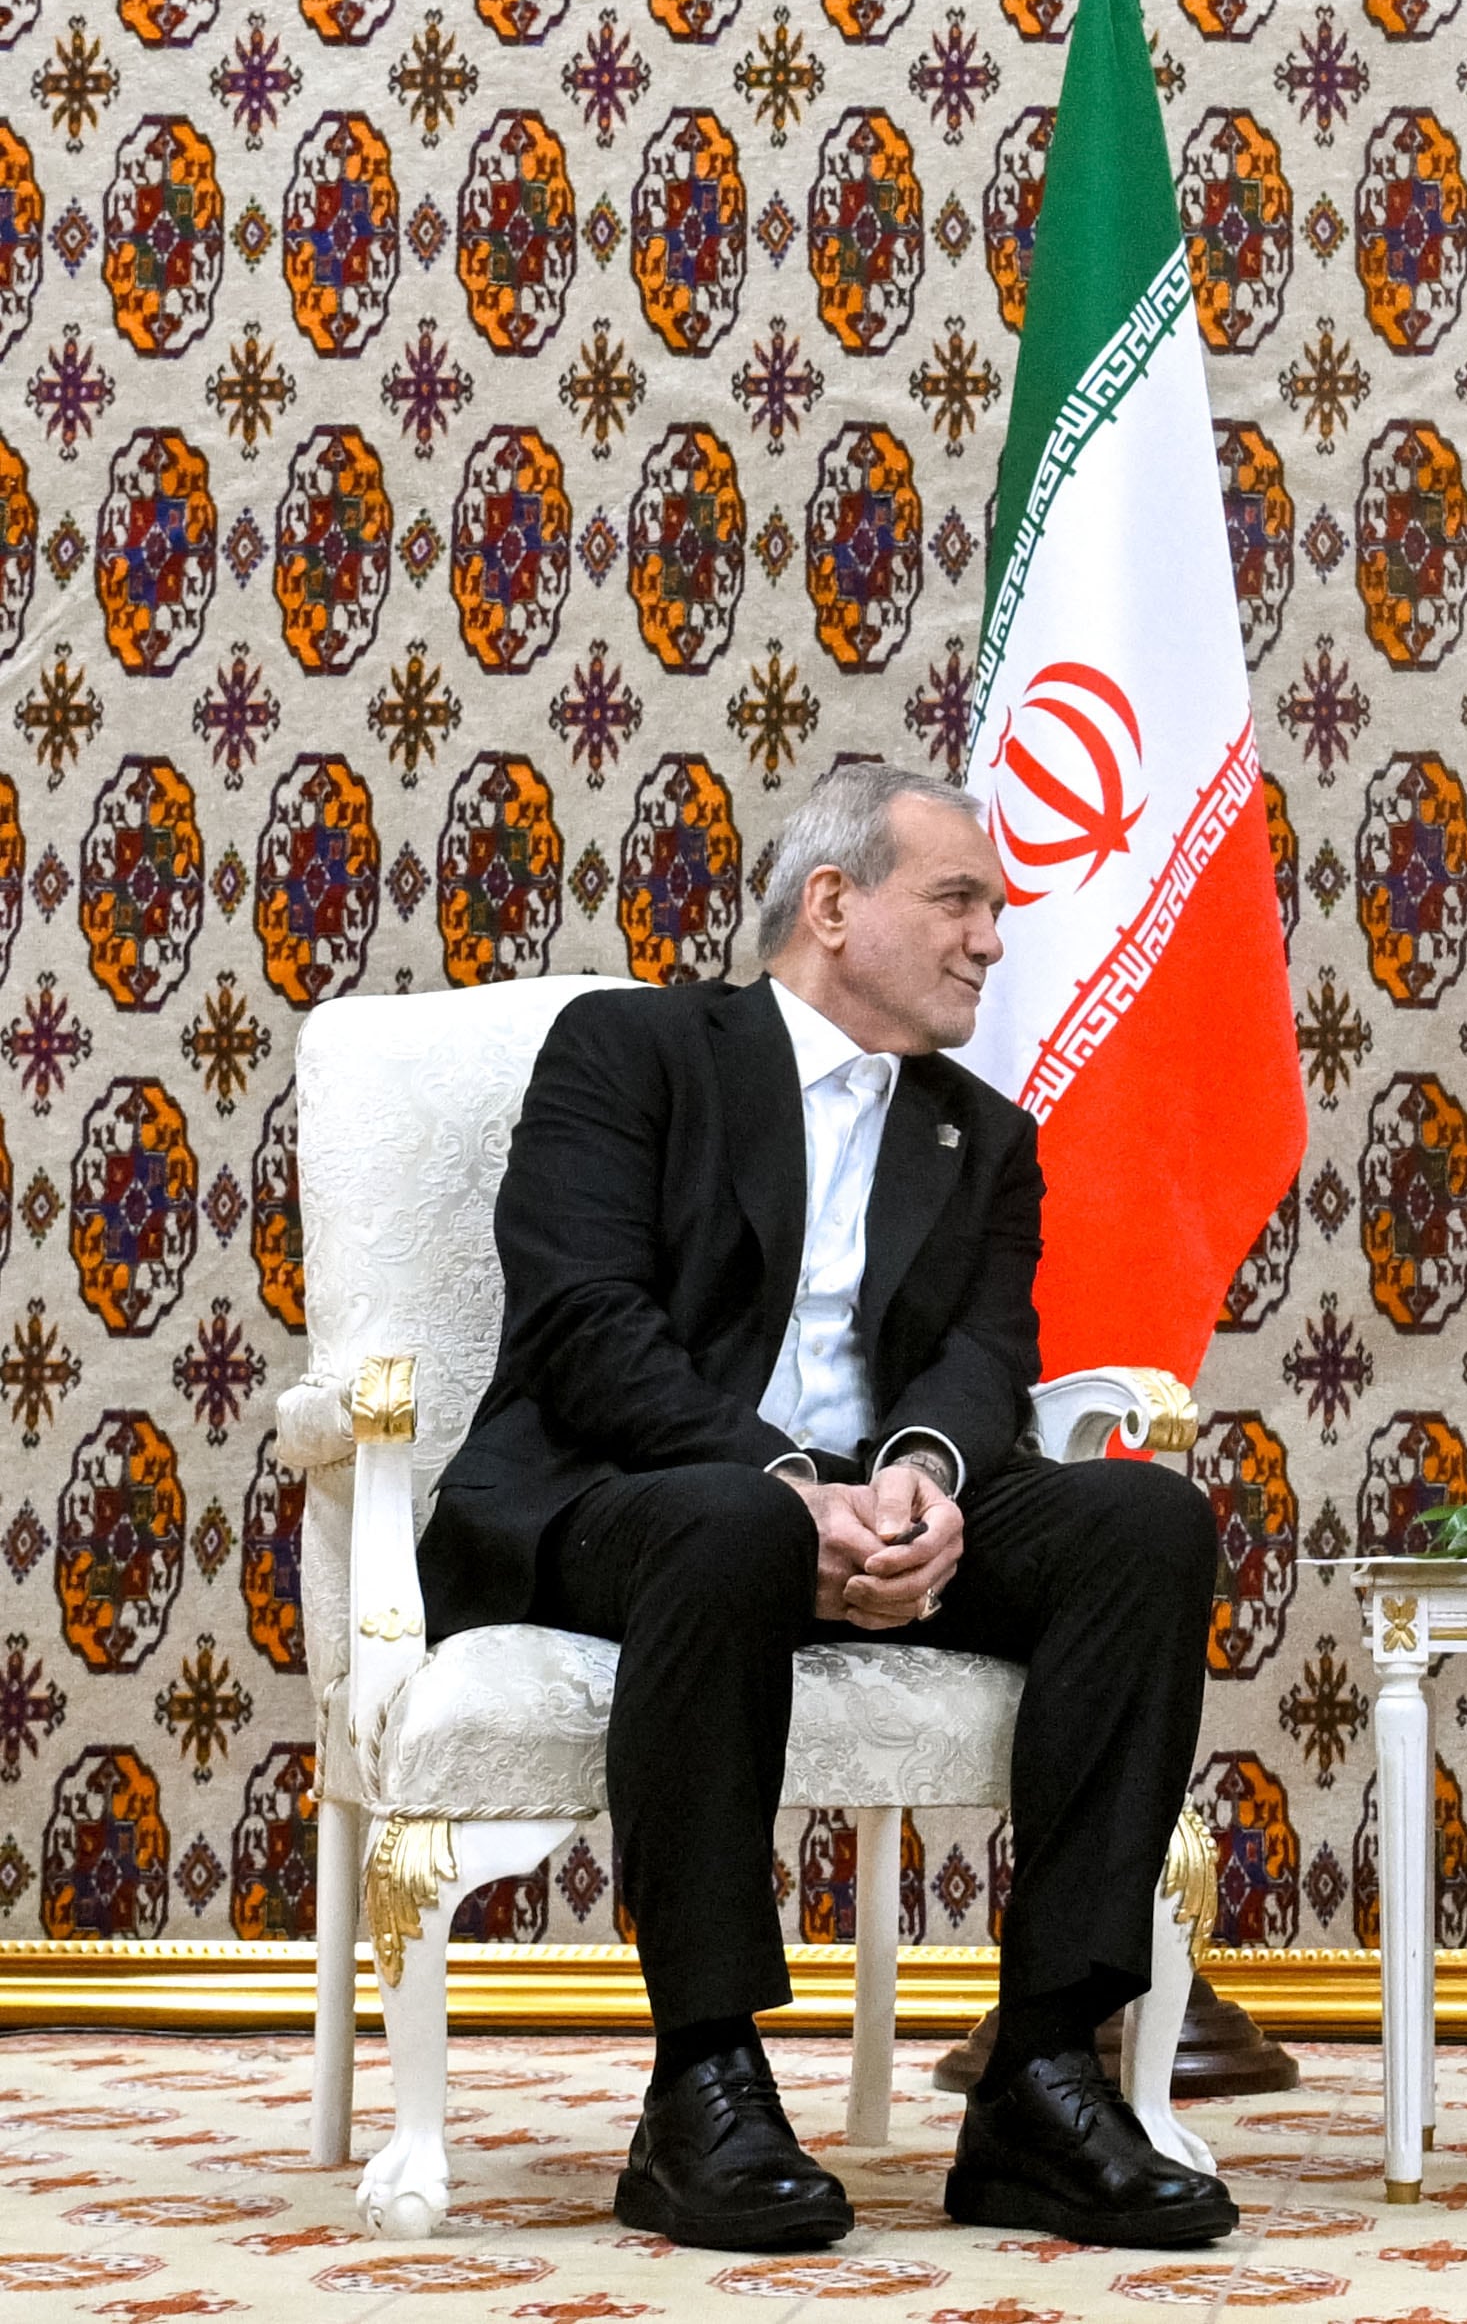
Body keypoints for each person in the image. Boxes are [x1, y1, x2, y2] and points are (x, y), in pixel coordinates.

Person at [420, 760, 1239, 2254]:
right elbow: (587, 1323)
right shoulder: (634, 1049)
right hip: (630, 1504)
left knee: (1145, 1527)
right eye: (960, 900)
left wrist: (919, 1476)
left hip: (870, 1512)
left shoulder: (984, 1135)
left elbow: (986, 1355)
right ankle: (703, 2083)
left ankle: (1044, 2075)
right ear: (833, 904)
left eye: (994, 907)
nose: (994, 936)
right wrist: (795, 1493)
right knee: (738, 1525)